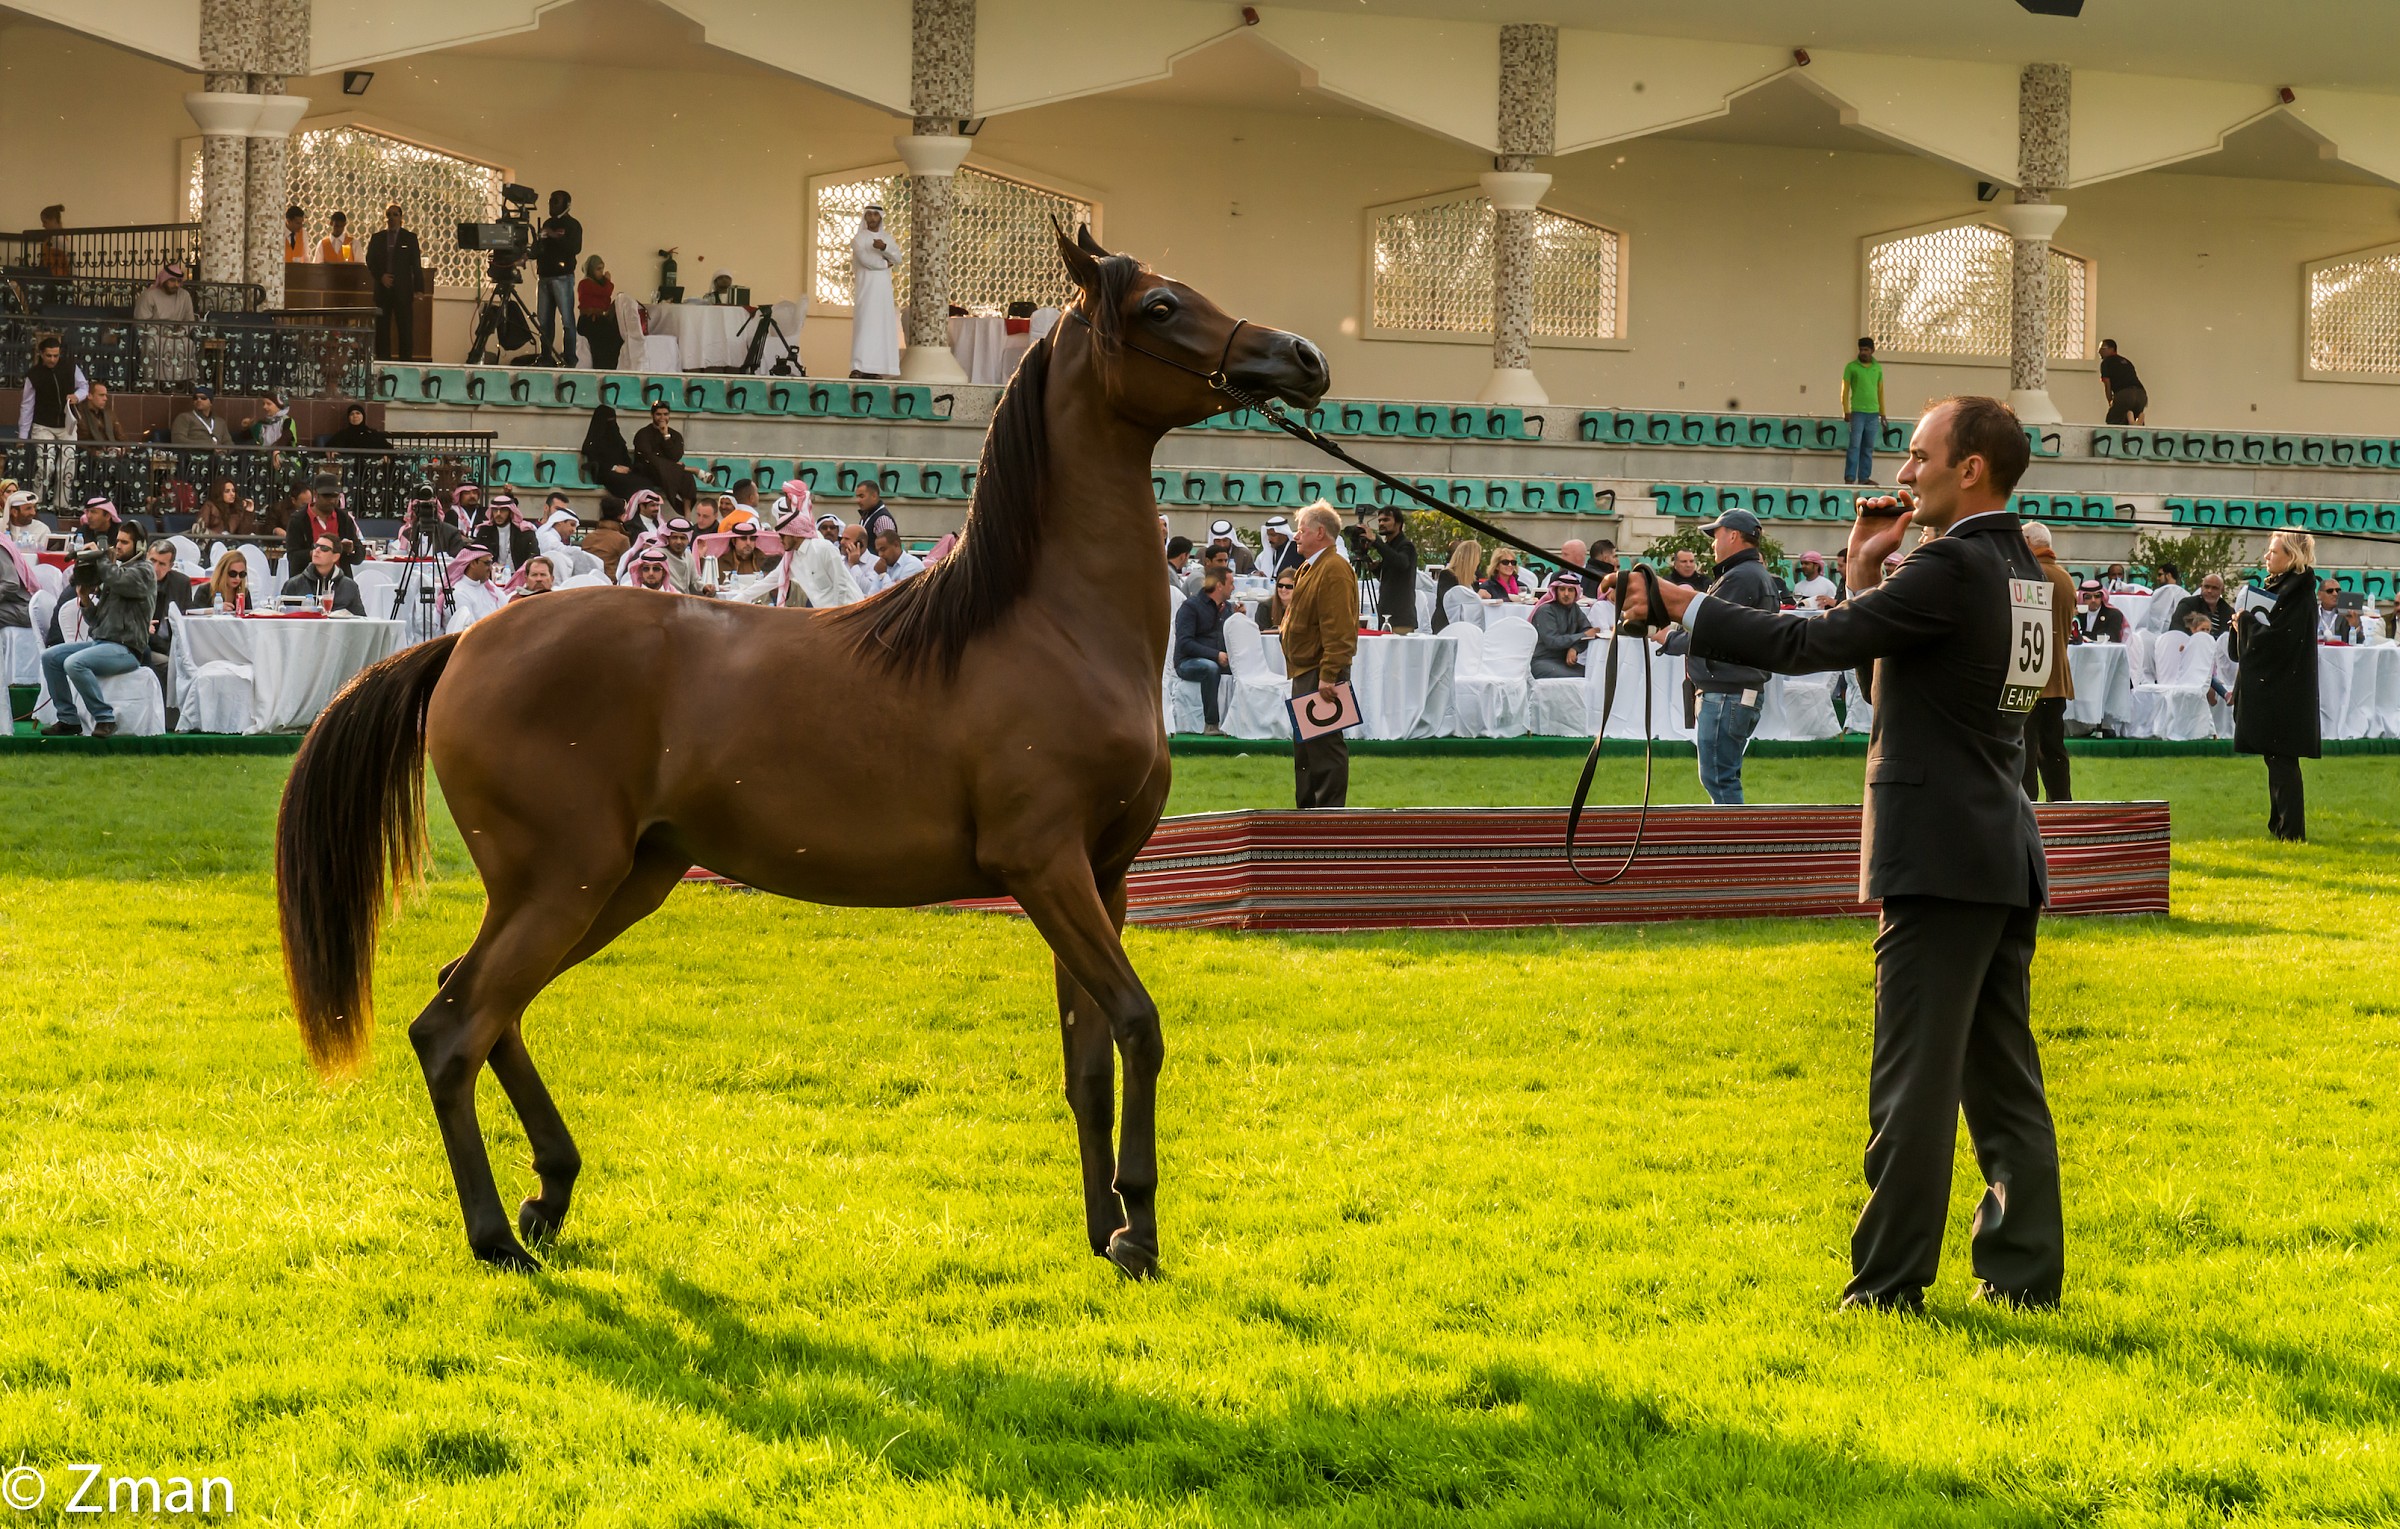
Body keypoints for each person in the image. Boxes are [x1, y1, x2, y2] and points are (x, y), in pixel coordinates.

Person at [1627, 395, 2064, 1312]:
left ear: (1970, 468)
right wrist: (1865, 568)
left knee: (1912, 1083)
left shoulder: (1949, 565)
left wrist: (1687, 609)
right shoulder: (2025, 568)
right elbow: (1899, 678)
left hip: (1939, 853)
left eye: (1918, 455)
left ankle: (1887, 1286)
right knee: (2001, 1082)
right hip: (1999, 847)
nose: (1903, 473)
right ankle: (2022, 1275)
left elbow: (1809, 642)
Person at [1660, 508, 1776, 804]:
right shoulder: (1750, 575)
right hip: (1735, 691)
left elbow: (1715, 629)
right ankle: (1731, 841)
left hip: (1727, 692)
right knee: (1721, 775)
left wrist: (1668, 638)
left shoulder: (1740, 578)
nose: (1713, 543)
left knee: (1719, 778)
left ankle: (1732, 844)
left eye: (1717, 535)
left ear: (1733, 535)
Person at [2234, 530, 2321, 842]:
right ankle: (2281, 824)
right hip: (2278, 687)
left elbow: (2278, 640)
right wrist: (2244, 624)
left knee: (2282, 760)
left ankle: (2290, 830)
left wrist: (2244, 622)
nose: (2267, 556)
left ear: (2291, 557)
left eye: (2273, 551)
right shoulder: (2284, 589)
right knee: (2276, 760)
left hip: (2286, 690)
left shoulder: (2297, 594)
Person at [40, 520, 156, 737]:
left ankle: (104, 718)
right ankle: (68, 719)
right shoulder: (117, 572)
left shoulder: (144, 572)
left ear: (140, 546)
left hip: (127, 650)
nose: (118, 545)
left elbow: (118, 580)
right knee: (50, 657)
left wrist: (101, 558)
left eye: (124, 542)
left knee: (75, 663)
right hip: (103, 643)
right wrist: (85, 599)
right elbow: (96, 623)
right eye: (117, 541)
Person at [1281, 504, 1358, 809]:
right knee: (1307, 749)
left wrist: (1329, 674)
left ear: (1320, 532)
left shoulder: (1334, 569)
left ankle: (1328, 820)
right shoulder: (1312, 567)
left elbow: (1338, 629)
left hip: (1319, 673)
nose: (1296, 535)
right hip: (1307, 670)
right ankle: (1308, 816)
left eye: (1301, 529)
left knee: (1324, 748)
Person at [2017, 522, 2078, 802]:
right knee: (2054, 750)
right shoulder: (2065, 577)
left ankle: (2028, 813)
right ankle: (2063, 808)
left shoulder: (2028, 575)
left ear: (2028, 541)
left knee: (2025, 751)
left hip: (2027, 677)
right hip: (2057, 678)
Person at [18, 333, 87, 512]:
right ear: (41, 354)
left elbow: (84, 386)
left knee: (67, 464)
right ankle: (37, 503)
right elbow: (27, 406)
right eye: (49, 355)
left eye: (56, 355)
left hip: (67, 424)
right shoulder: (34, 375)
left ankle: (61, 505)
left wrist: (77, 397)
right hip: (43, 425)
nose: (53, 359)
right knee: (45, 464)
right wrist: (23, 436)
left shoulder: (70, 367)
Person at [1173, 565, 1235, 736]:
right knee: (1210, 668)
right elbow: (1185, 643)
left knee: (1243, 668)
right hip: (1188, 662)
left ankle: (1238, 723)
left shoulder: (1228, 608)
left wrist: (1239, 618)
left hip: (1220, 659)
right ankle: (1211, 723)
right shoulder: (1191, 607)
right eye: (1231, 583)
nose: (1234, 587)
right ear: (1219, 585)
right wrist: (1215, 655)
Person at [366, 204, 425, 362]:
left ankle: (406, 363)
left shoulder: (410, 238)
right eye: (389, 214)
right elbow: (370, 261)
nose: (392, 217)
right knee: (382, 329)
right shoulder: (377, 238)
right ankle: (382, 360)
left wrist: (419, 289)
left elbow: (416, 265)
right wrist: (381, 277)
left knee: (405, 328)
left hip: (403, 291)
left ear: (401, 218)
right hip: (383, 289)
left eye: (395, 214)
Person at [850, 206, 902, 378]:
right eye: (869, 214)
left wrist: (884, 248)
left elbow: (898, 258)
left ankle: (875, 369)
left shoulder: (887, 239)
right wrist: (884, 264)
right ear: (864, 217)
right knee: (865, 325)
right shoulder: (859, 239)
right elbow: (866, 260)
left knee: (881, 327)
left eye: (875, 214)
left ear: (880, 217)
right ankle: (858, 367)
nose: (872, 217)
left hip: (883, 291)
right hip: (866, 289)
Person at [534, 189, 584, 367]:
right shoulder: (547, 223)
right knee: (544, 321)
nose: (551, 204)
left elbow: (575, 248)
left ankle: (569, 358)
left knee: (567, 321)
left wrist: (554, 236)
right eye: (550, 200)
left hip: (562, 278)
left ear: (567, 205)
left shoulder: (573, 225)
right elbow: (538, 249)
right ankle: (545, 357)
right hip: (544, 278)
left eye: (555, 201)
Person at [132, 263, 197, 385]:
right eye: (172, 281)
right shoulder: (149, 295)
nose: (176, 285)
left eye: (178, 281)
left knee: (188, 344)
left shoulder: (184, 296)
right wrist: (162, 332)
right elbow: (141, 321)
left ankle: (182, 383)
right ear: (164, 279)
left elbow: (189, 320)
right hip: (153, 335)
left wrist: (182, 332)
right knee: (154, 344)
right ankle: (153, 382)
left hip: (177, 335)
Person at [1530, 572, 1601, 679]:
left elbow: (1588, 631)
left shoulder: (1574, 609)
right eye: (1562, 589)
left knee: (1595, 675)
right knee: (1581, 677)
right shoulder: (1545, 611)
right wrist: (1582, 636)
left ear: (1576, 592)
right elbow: (1553, 641)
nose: (1566, 594)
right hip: (1542, 662)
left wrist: (1574, 648)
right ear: (1556, 591)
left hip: (1564, 662)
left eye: (1570, 590)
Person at [633, 402, 699, 514]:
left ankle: (687, 515)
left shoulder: (675, 435)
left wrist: (666, 436)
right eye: (658, 414)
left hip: (669, 472)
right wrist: (672, 465)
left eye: (665, 414)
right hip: (648, 471)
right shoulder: (643, 434)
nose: (662, 418)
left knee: (687, 477)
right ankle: (688, 468)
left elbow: (675, 456)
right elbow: (648, 456)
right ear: (652, 415)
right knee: (657, 463)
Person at [1362, 506, 1418, 632]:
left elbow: (1401, 563)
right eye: (1380, 520)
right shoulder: (1389, 547)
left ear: (1398, 523)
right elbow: (1392, 576)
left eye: (1386, 520)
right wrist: (1376, 569)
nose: (1381, 523)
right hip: (1385, 616)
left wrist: (1376, 541)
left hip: (1400, 618)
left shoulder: (1406, 546)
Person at [284, 480, 362, 571]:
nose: (332, 500)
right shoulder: (298, 520)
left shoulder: (344, 518)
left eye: (335, 496)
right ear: (315, 494)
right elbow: (292, 557)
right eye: (327, 496)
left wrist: (351, 550)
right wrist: (316, 553)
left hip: (339, 581)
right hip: (306, 581)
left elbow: (359, 556)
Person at [282, 536, 366, 616]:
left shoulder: (349, 586)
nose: (317, 550)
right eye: (315, 546)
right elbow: (282, 617)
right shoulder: (294, 584)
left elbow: (361, 620)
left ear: (335, 557)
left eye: (324, 548)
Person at [1841, 336, 1885, 485]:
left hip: (1873, 413)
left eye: (1866, 350)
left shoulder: (1877, 368)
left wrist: (1883, 412)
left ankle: (1864, 478)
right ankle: (1850, 477)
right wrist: (1846, 410)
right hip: (1857, 413)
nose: (1863, 352)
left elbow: (1880, 391)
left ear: (1872, 350)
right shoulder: (1851, 367)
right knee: (1854, 445)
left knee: (1868, 447)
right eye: (1861, 350)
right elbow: (1845, 390)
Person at [473, 493, 540, 577]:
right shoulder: (485, 531)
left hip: (519, 576)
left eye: (503, 510)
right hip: (490, 576)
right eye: (495, 510)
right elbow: (475, 554)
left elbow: (534, 555)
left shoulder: (525, 531)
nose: (498, 514)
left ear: (511, 512)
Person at [443, 547, 507, 633]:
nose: (491, 568)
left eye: (491, 563)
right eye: (487, 563)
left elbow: (506, 609)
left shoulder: (487, 585)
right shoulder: (459, 593)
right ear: (473, 563)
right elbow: (470, 631)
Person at [576, 254, 622, 369]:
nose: (601, 272)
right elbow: (606, 292)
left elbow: (605, 303)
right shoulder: (585, 283)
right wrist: (607, 281)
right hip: (589, 321)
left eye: (602, 268)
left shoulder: (598, 285)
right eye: (598, 269)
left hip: (599, 320)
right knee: (602, 344)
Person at [1431, 539, 1482, 633]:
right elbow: (1449, 600)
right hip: (1446, 624)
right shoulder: (1447, 575)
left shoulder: (1473, 578)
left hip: (1467, 623)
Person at [2098, 339, 2147, 425]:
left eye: (2103, 348)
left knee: (2113, 421)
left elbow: (2107, 383)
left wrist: (2110, 401)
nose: (2099, 351)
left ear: (2112, 349)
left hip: (2125, 395)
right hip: (2141, 395)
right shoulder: (2127, 361)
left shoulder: (2106, 362)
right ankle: (2135, 419)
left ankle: (2130, 418)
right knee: (2135, 423)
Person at [74, 379, 128, 447]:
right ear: (90, 396)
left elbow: (121, 436)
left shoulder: (109, 414)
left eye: (105, 395)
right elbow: (79, 441)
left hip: (111, 452)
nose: (105, 398)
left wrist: (123, 449)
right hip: (89, 455)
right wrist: (93, 452)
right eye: (101, 395)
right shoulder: (79, 414)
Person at [326, 400, 392, 450]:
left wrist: (387, 455)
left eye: (358, 413)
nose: (355, 416)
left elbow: (388, 447)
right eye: (352, 414)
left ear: (363, 416)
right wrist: (330, 452)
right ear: (348, 418)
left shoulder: (372, 433)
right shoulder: (343, 434)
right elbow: (329, 446)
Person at [2141, 563, 2188, 633]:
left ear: (2168, 575)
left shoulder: (2159, 593)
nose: (2157, 578)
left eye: (2160, 575)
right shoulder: (2186, 594)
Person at [6, 488, 52, 552]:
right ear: (14, 512)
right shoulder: (1, 526)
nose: (33, 513)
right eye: (28, 508)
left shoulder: (42, 529)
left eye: (34, 508)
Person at [854, 482, 899, 547]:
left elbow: (888, 549)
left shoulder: (882, 519)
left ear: (874, 496)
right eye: (857, 497)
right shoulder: (866, 515)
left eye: (861, 496)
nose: (858, 500)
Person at [1260, 566, 1298, 633]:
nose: (1283, 589)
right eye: (1280, 585)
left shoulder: (1304, 608)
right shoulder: (1265, 607)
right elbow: (1261, 632)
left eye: (1288, 587)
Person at [37, 204, 70, 277]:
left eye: (45, 222)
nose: (43, 225)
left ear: (54, 220)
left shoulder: (58, 238)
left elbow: (70, 258)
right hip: (54, 276)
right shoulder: (55, 237)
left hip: (57, 277)